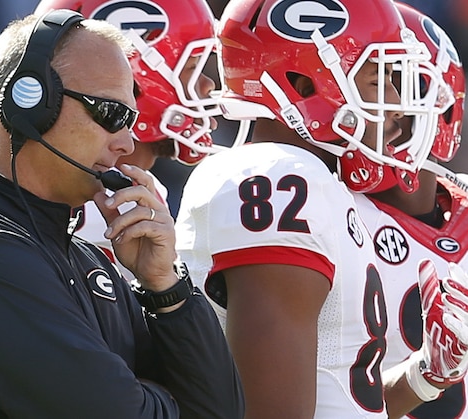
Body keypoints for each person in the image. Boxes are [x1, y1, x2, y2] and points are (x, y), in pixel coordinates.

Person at [0, 10, 244, 418]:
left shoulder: (78, 253)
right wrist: (167, 398)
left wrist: (166, 289)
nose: (126, 142)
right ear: (30, 101)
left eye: (132, 120)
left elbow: (220, 411)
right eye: (111, 115)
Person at [174, 0, 468, 417]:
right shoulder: (279, 176)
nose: (396, 103)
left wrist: (424, 375)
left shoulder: (320, 183)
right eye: (378, 78)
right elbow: (274, 411)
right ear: (305, 82)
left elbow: (342, 393)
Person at [33, 0, 248, 277]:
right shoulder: (95, 198)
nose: (208, 86)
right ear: (138, 78)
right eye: (191, 67)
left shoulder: (137, 188)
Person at [353, 3, 468, 418]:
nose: (389, 104)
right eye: (373, 84)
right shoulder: (328, 209)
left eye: (395, 83)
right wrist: (426, 373)